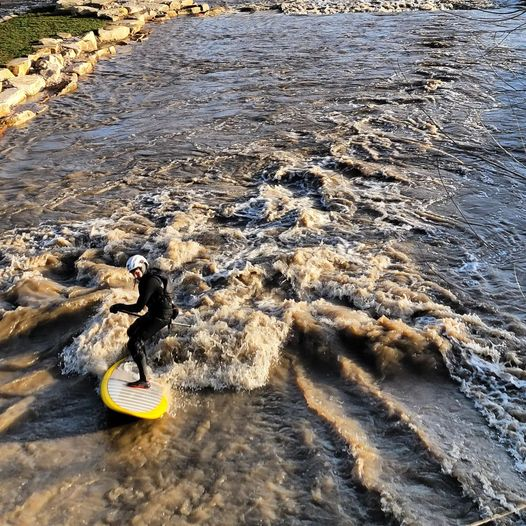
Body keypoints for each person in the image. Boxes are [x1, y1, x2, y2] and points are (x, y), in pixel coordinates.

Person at [109, 255, 173, 389]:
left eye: (137, 270)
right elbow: (165, 293)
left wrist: (118, 306)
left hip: (160, 316)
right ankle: (142, 359)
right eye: (132, 272)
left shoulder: (150, 281)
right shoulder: (149, 277)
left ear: (143, 266)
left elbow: (138, 307)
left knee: (134, 342)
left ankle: (144, 380)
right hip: (154, 313)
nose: (135, 274)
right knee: (131, 331)